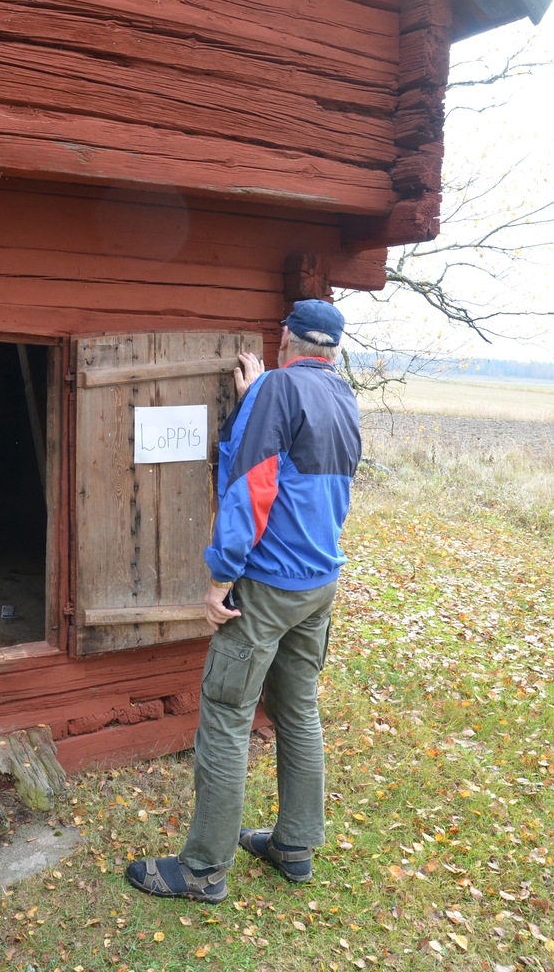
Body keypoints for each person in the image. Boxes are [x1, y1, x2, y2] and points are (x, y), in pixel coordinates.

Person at [126, 299, 361, 903]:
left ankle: (203, 869)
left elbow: (250, 488)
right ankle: (295, 845)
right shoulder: (343, 398)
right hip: (318, 583)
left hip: (267, 584)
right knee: (299, 709)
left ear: (285, 338)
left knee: (228, 716)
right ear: (330, 349)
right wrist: (255, 397)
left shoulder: (277, 391)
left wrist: (221, 576)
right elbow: (288, 474)